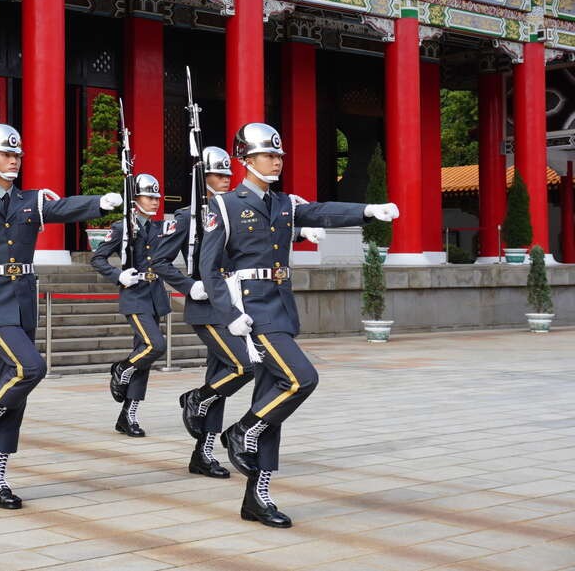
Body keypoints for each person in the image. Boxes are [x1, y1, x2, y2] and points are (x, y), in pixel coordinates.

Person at [200, 123, 399, 528]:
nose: (276, 161)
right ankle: (240, 431)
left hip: (282, 309)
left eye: (278, 155)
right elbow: (210, 268)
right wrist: (231, 314)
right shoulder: (224, 206)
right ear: (245, 159)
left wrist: (367, 210)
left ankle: (257, 497)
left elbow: (321, 209)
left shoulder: (284, 203)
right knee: (300, 379)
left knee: (271, 398)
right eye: (267, 155)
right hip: (253, 313)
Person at [0, 123, 121, 510]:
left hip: (22, 298)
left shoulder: (31, 200)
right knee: (29, 368)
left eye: (17, 155)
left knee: (14, 387)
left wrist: (100, 202)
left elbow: (61, 208)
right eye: (5, 154)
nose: (13, 160)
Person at [150, 147, 254, 480]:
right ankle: (196, 398)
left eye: (227, 175)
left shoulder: (235, 211)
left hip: (234, 303)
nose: (225, 180)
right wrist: (188, 285)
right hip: (207, 308)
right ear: (202, 178)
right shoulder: (185, 218)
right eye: (218, 175)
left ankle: (203, 453)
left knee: (219, 379)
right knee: (244, 365)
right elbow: (158, 260)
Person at [90, 173, 169, 437]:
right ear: (135, 199)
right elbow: (98, 258)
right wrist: (118, 275)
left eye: (157, 197)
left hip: (155, 295)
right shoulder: (123, 227)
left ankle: (128, 415)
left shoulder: (160, 229)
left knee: (143, 357)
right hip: (134, 296)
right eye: (149, 197)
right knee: (154, 345)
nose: (155, 202)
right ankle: (122, 368)